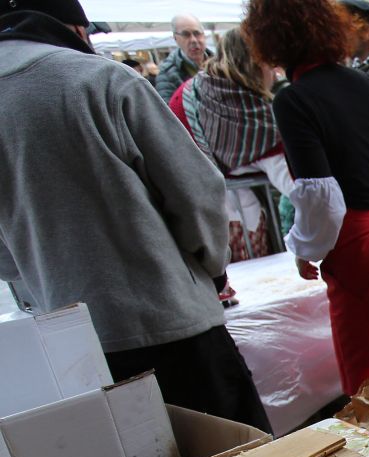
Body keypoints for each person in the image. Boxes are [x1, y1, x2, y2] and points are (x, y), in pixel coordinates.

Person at [0, 0, 271, 433]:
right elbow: (196, 189)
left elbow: (7, 259)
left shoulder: (97, 80)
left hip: (71, 341)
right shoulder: (101, 79)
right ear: (75, 28)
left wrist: (41, 269)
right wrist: (210, 267)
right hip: (170, 322)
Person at [242, 0, 369, 396]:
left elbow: (322, 198)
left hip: (367, 258)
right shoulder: (363, 82)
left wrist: (305, 247)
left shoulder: (293, 99)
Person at [168, 29, 294, 261]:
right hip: (236, 222)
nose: (274, 74)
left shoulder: (186, 92)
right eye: (269, 63)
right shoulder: (250, 114)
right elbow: (296, 185)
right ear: (254, 63)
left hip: (193, 219)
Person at [156, 12, 211, 103]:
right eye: (186, 34)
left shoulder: (221, 61)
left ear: (203, 35)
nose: (193, 40)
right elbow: (168, 111)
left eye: (197, 33)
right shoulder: (167, 74)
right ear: (175, 38)